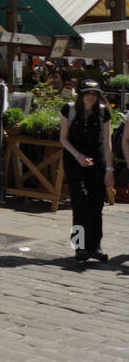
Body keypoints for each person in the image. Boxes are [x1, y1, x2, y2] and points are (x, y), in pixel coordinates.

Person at [63, 80, 115, 263]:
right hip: (74, 161)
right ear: (81, 94)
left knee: (96, 204)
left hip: (97, 162)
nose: (91, 97)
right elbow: (63, 139)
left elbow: (107, 142)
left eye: (94, 93)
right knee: (79, 204)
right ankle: (79, 246)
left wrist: (109, 169)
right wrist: (77, 156)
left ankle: (95, 246)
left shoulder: (102, 111)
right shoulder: (69, 109)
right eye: (87, 93)